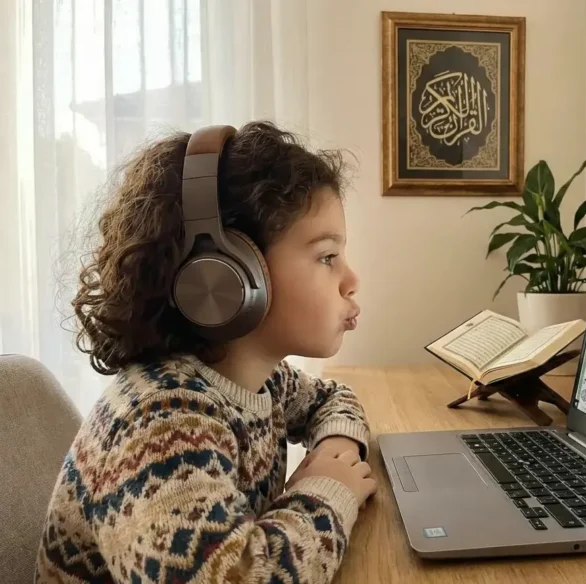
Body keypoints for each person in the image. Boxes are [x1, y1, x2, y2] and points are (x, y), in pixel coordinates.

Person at [35, 121, 377, 583]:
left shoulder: (262, 380)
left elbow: (332, 398)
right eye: (326, 256)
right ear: (227, 272)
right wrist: (329, 490)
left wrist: (336, 449)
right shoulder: (161, 424)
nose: (352, 280)